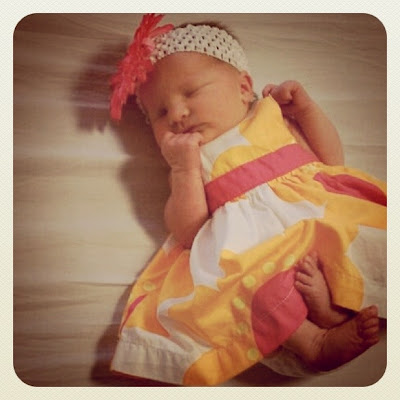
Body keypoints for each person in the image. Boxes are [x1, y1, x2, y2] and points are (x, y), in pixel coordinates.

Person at [110, 14, 386, 385]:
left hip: (311, 214)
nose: (176, 114)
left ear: (243, 87)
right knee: (245, 288)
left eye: (190, 93)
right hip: (249, 250)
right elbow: (189, 231)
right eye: (159, 112)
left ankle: (332, 310)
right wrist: (183, 169)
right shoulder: (188, 160)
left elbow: (330, 162)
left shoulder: (271, 116)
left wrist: (306, 110)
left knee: (347, 237)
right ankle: (312, 340)